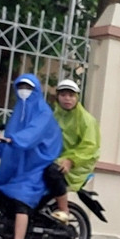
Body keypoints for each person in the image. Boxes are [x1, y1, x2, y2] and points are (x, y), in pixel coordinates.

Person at [0, 74, 62, 239]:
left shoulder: (43, 112)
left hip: (36, 163)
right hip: (18, 162)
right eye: (21, 86)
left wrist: (10, 140)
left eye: (29, 87)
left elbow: (32, 134)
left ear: (36, 90)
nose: (24, 91)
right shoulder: (18, 110)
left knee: (21, 198)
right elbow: (10, 132)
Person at [43, 79, 101, 224]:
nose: (67, 98)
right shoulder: (55, 116)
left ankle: (64, 210)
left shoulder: (86, 119)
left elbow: (90, 146)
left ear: (77, 98)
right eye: (63, 95)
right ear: (58, 97)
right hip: (59, 157)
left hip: (79, 162)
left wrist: (71, 160)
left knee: (52, 171)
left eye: (71, 95)